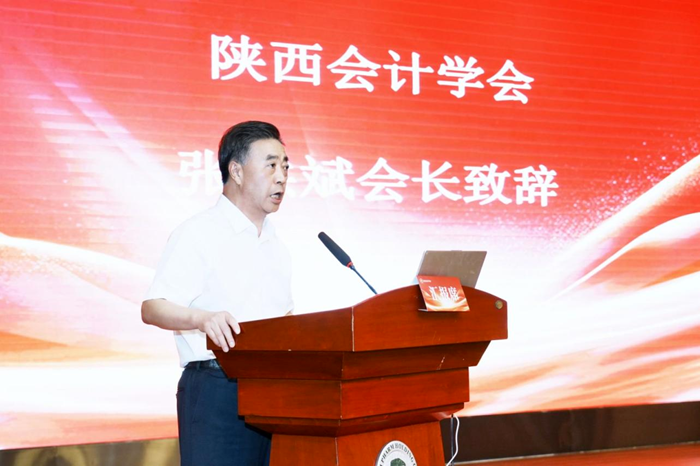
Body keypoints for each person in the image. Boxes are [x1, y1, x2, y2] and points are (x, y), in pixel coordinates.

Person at [141, 121, 293, 466]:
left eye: (285, 167)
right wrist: (202, 319)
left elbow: (282, 318)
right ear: (236, 171)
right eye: (271, 165)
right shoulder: (198, 232)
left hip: (272, 392)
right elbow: (152, 307)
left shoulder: (277, 246)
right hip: (216, 389)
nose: (281, 177)